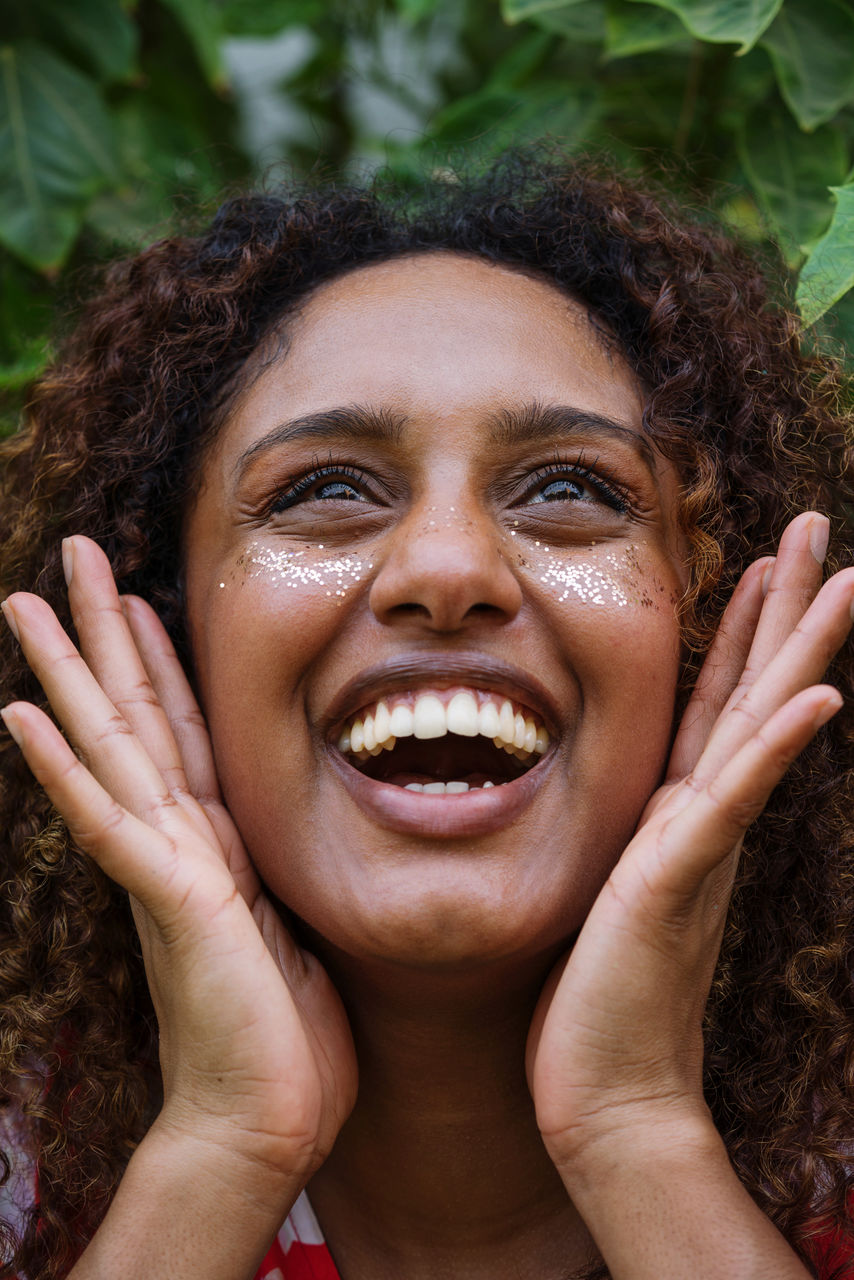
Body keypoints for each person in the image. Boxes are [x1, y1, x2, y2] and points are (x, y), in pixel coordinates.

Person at [0, 154, 852, 1280]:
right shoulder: (28, 1164)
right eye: (326, 487)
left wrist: (637, 1130)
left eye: (566, 489)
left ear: (709, 633)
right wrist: (219, 1146)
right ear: (166, 633)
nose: (446, 569)